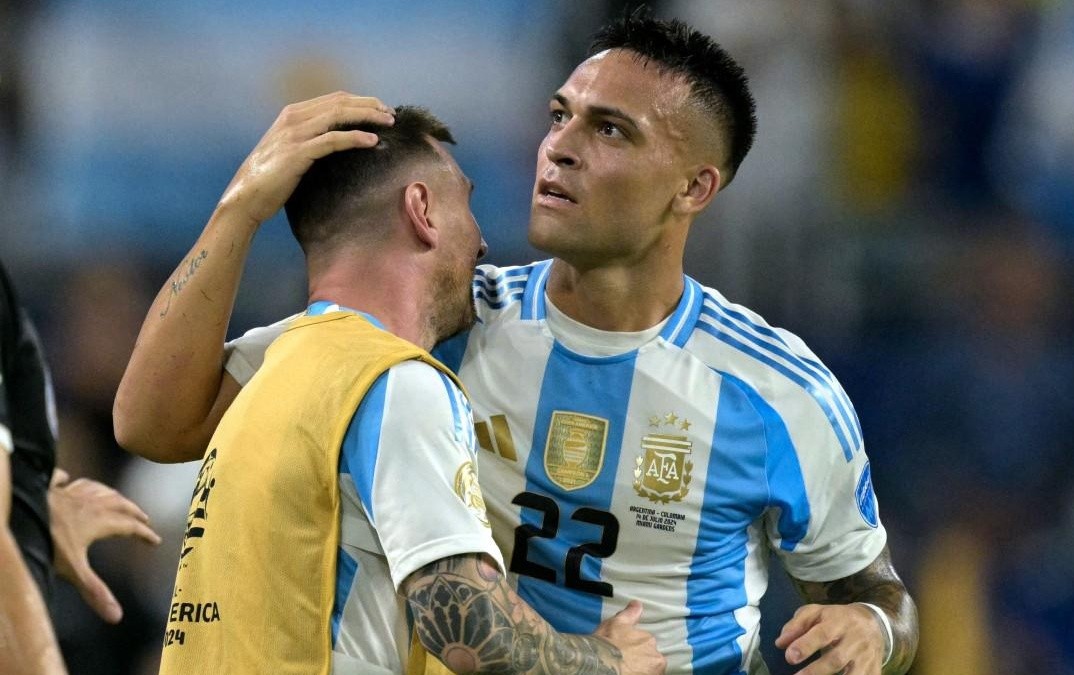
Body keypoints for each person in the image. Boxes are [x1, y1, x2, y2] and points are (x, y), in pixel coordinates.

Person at [116, 12, 918, 675]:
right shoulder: (448, 325)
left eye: (609, 129)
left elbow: (876, 591)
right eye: (559, 115)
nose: (559, 147)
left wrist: (874, 632)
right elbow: (159, 422)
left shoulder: (778, 390)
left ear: (694, 186)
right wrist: (238, 210)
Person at [149, 99, 662, 675]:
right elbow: (470, 630)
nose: (483, 242)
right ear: (422, 209)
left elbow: (143, 418)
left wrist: (240, 207)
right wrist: (610, 662)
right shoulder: (396, 383)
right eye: (465, 202)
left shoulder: (286, 361)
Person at [2, 259, 162, 675]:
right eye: (95, 320)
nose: (108, 336)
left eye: (123, 320)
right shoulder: (44, 426)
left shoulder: (173, 442)